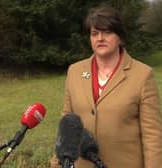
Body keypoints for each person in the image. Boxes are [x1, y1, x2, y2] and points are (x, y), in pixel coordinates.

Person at [50, 5, 162, 168]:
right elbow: (67, 123)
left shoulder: (142, 75)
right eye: (94, 33)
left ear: (120, 37)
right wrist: (56, 163)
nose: (100, 38)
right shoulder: (74, 71)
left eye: (107, 32)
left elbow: (153, 137)